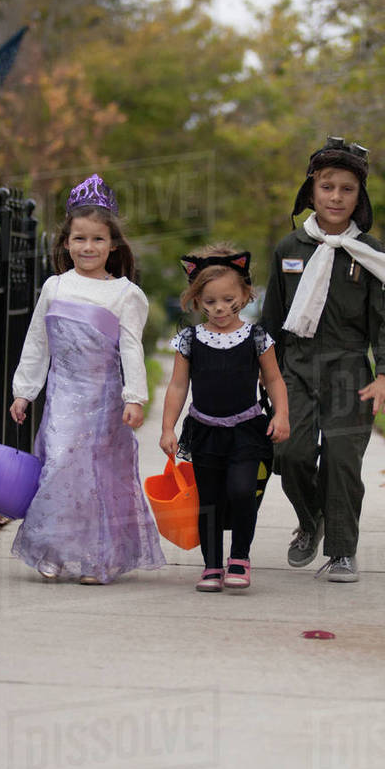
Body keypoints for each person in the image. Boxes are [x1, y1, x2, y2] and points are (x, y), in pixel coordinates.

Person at [261, 138, 385, 582]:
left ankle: (342, 549)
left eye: (347, 189)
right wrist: (263, 372)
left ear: (360, 196)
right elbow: (272, 317)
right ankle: (310, 520)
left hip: (349, 370)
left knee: (341, 460)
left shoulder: (370, 254)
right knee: (290, 453)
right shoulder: (289, 248)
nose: (336, 197)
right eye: (327, 187)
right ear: (311, 192)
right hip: (295, 365)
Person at [9, 174, 166, 585]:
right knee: (58, 467)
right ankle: (55, 550)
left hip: (103, 401)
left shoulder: (125, 294)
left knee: (95, 477)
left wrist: (135, 397)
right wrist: (24, 392)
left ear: (113, 244)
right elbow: (37, 343)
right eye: (79, 239)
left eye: (98, 239)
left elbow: (131, 348)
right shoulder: (55, 287)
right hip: (62, 397)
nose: (88, 247)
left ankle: (99, 559)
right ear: (65, 242)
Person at [160, 245, 290, 592]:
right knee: (209, 500)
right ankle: (212, 566)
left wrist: (281, 415)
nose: (220, 308)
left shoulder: (257, 337)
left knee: (242, 490)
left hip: (246, 429)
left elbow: (275, 379)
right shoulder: (190, 339)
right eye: (211, 301)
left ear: (245, 295)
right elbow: (177, 386)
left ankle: (240, 558)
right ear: (197, 300)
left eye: (228, 299)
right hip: (204, 431)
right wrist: (167, 428)